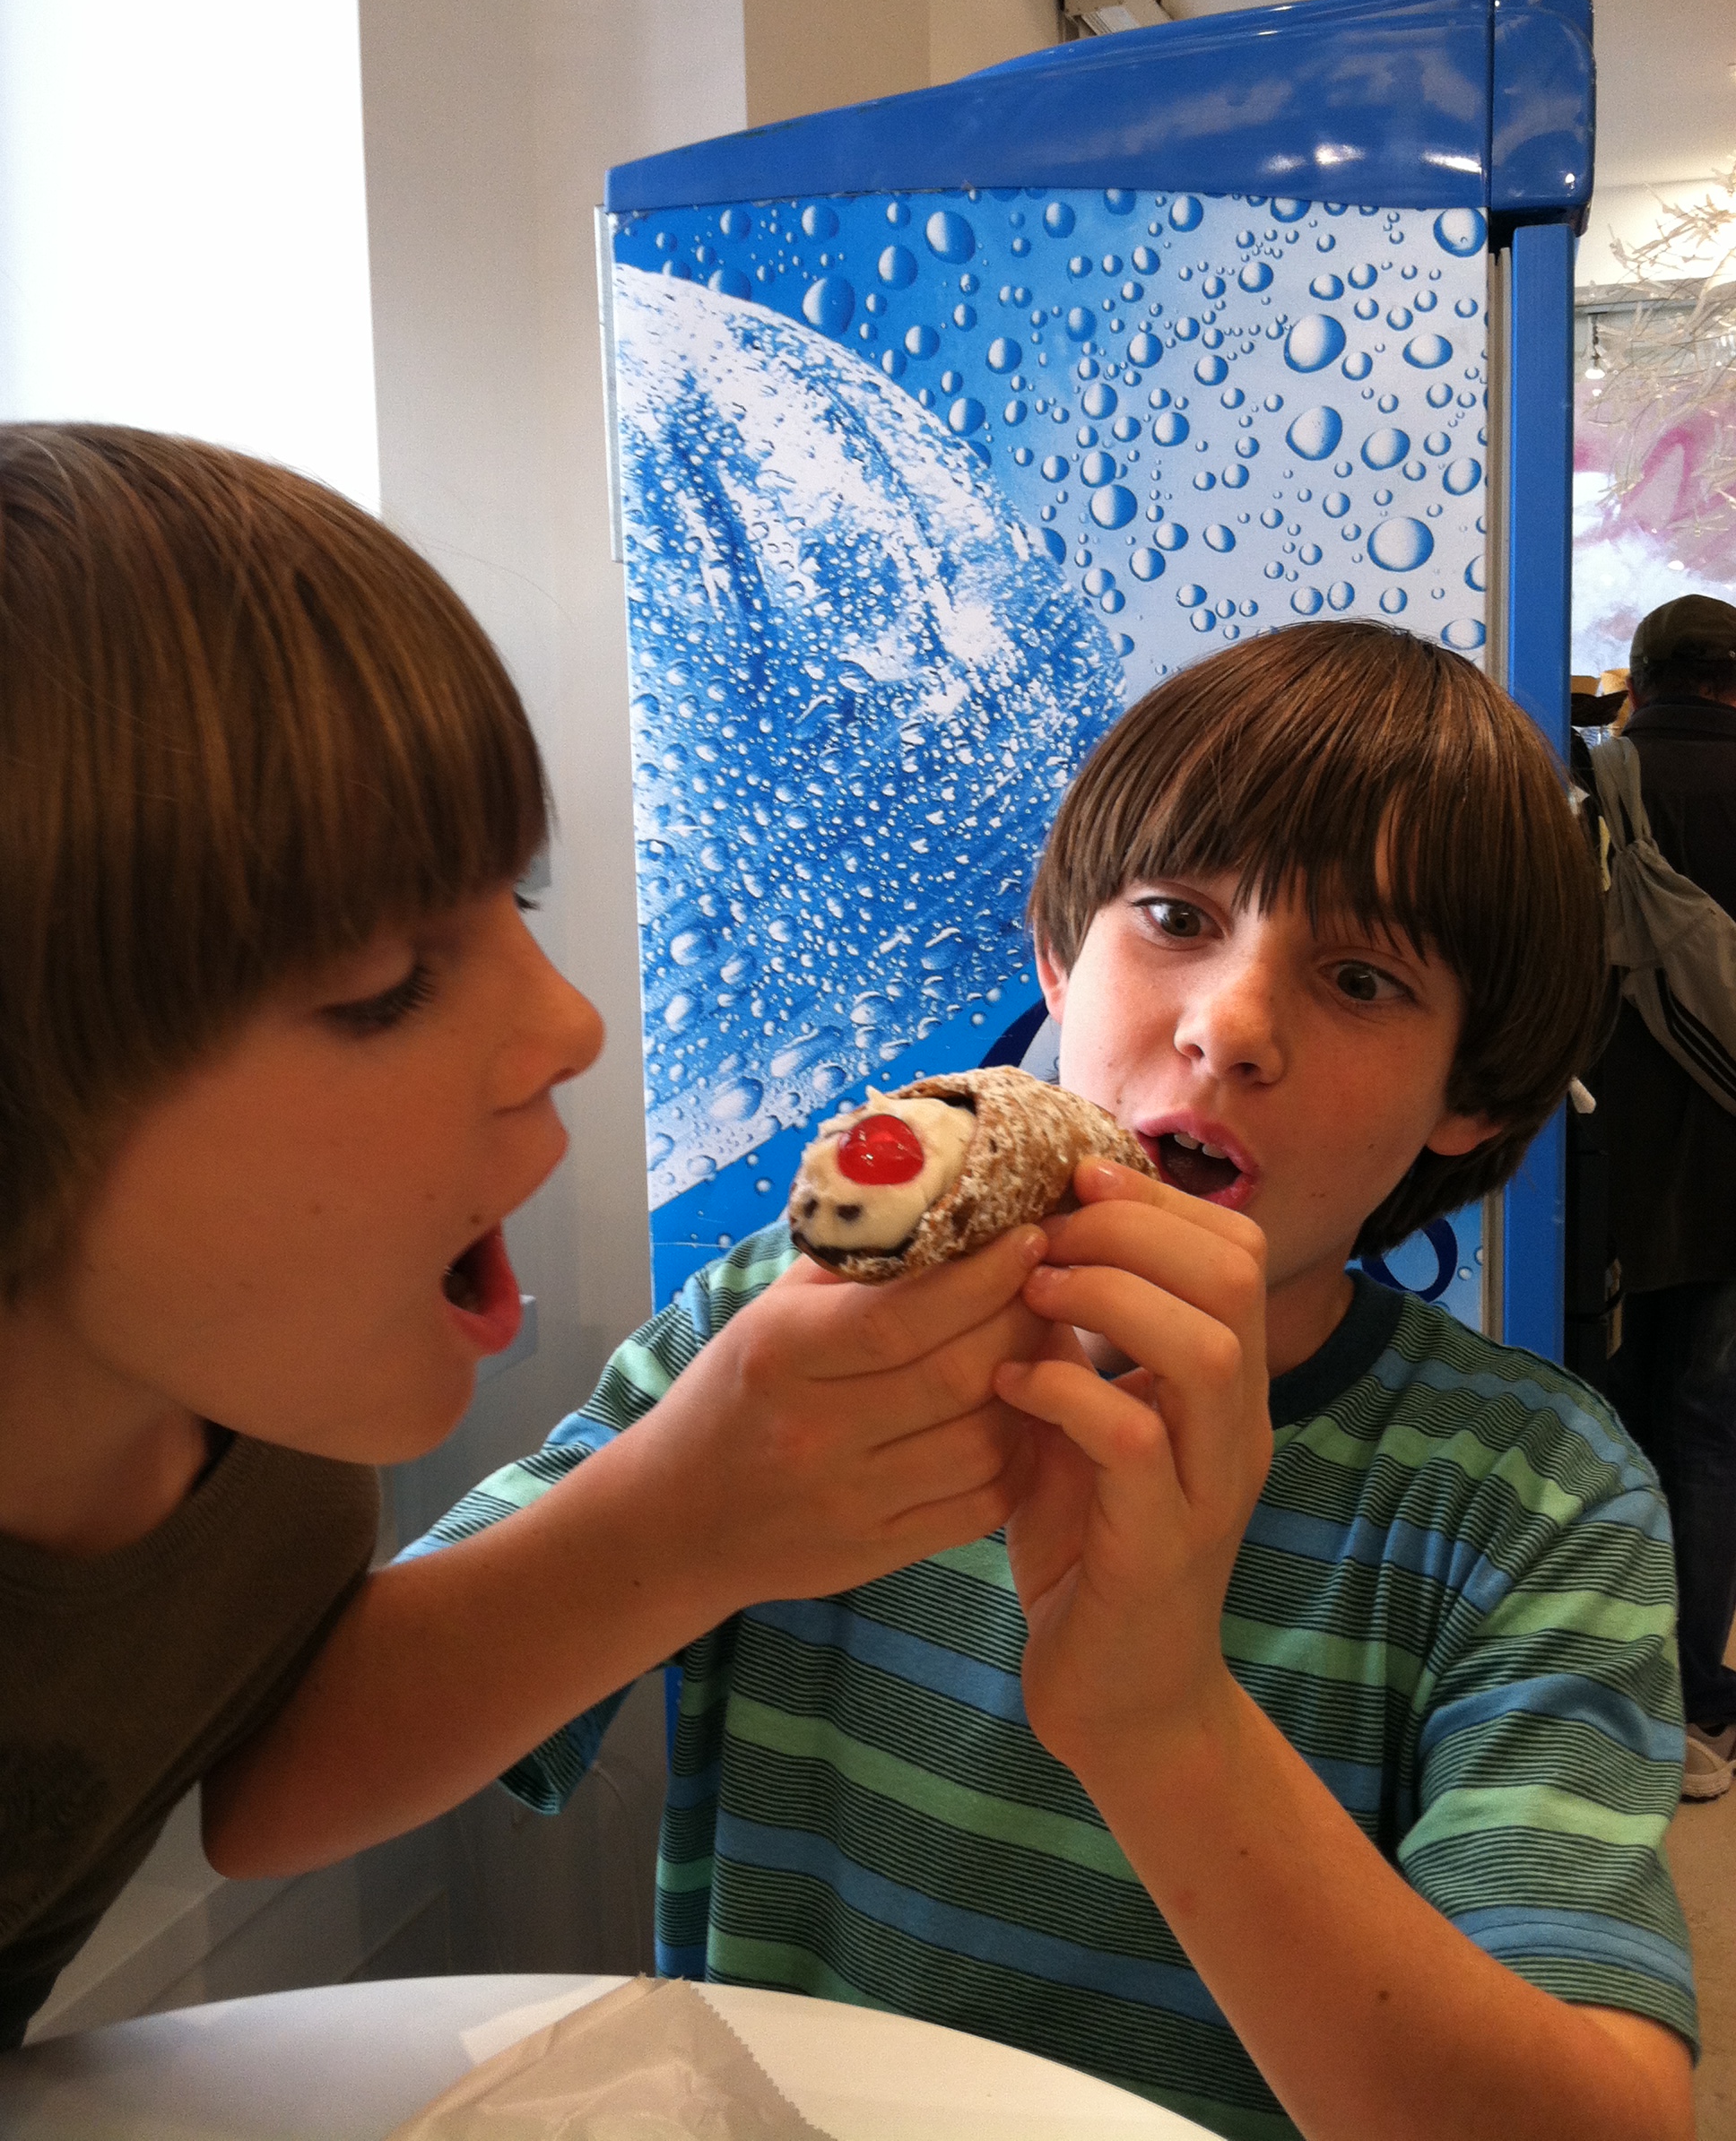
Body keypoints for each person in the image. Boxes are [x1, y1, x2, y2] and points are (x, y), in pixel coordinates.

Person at [208, 622, 1694, 2141]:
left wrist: (1161, 1719)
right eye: (1174, 916)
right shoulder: (788, 1332)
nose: (1229, 1026)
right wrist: (686, 1517)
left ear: (1471, 1095)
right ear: (1058, 956)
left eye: (1363, 980)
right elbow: (275, 1790)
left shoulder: (1533, 1498)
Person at [0, 424, 1036, 2049]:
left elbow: (274, 1779)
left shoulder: (267, 1483)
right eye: (381, 982)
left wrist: (701, 1520)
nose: (570, 1025)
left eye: (519, 903)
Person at [1590, 591, 1736, 1800]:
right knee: (1713, 1428)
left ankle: (1616, 1683)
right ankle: (1696, 1697)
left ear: (1641, 677)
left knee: (1615, 1417)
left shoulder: (1593, 784)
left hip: (1609, 1164)